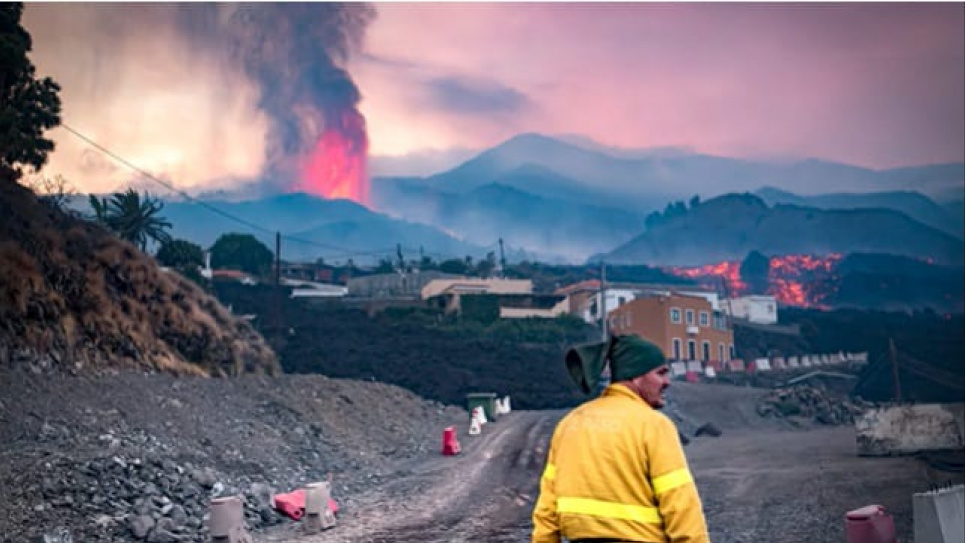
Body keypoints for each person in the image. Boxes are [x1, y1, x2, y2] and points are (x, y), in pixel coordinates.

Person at [531, 334, 710, 543]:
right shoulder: (653, 425)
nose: (667, 382)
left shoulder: (570, 423)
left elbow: (547, 508)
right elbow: (680, 504)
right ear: (635, 376)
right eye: (660, 373)